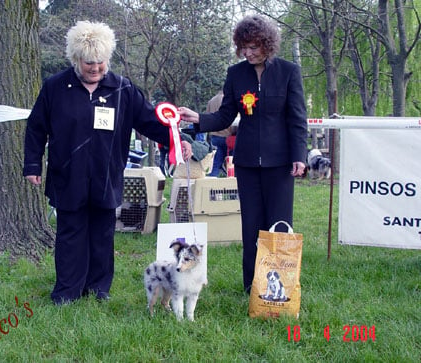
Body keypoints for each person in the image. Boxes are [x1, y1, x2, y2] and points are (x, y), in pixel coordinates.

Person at [23, 20, 192, 305]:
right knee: (70, 235)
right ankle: (67, 292)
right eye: (89, 62)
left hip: (106, 174)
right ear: (76, 59)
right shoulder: (55, 87)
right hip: (67, 174)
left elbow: (150, 120)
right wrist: (31, 165)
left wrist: (176, 139)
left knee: (102, 235)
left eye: (101, 62)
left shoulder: (122, 89)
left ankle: (99, 289)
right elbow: (36, 127)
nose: (96, 68)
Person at [179, 15, 307, 293]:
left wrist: (300, 156)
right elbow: (225, 115)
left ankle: (279, 286)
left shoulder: (289, 72)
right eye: (243, 48)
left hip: (281, 162)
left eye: (253, 47)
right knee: (251, 225)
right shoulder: (236, 74)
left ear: (267, 44)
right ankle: (252, 286)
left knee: (279, 225)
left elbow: (298, 117)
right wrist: (198, 118)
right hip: (247, 162)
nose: (247, 53)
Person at [206, 90, 234, 177]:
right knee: (231, 163)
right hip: (228, 136)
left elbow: (207, 117)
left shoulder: (211, 101)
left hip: (214, 135)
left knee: (215, 163)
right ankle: (232, 183)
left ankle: (213, 180)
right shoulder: (228, 100)